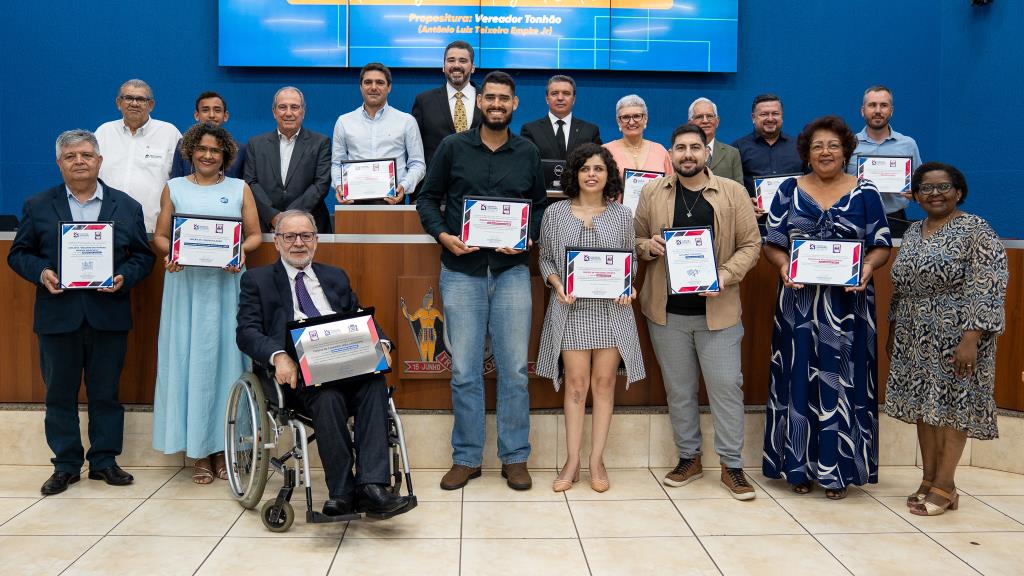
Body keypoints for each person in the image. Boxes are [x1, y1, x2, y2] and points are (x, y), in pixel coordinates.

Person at [417, 71, 547, 492]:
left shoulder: (527, 152)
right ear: (478, 102)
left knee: (515, 371)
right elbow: (427, 199)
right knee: (464, 371)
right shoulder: (453, 147)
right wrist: (443, 236)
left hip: (511, 272)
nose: (496, 104)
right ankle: (467, 458)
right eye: (489, 97)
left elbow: (540, 206)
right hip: (462, 272)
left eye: (503, 99)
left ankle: (515, 457)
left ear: (514, 104)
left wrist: (527, 237)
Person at [8, 129, 155, 495]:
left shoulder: (126, 206)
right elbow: (19, 253)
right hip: (58, 315)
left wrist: (124, 277)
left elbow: (143, 257)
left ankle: (104, 461)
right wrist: (42, 273)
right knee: (59, 393)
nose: (79, 161)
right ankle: (66, 465)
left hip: (108, 313)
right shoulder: (38, 205)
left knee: (106, 393)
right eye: (70, 156)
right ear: (59, 163)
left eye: (86, 155)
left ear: (99, 161)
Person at [236, 209, 408, 517]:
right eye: (290, 236)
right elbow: (247, 332)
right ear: (277, 242)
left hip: (345, 363)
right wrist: (279, 356)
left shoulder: (334, 276)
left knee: (375, 382)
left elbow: (358, 314)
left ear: (316, 240)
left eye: (306, 236)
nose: (298, 243)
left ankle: (372, 487)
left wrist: (382, 342)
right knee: (327, 396)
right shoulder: (257, 280)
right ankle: (342, 492)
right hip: (298, 376)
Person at [761, 116, 892, 499]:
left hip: (849, 308)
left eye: (833, 145)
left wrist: (867, 267)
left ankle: (839, 472)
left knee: (844, 381)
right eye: (817, 145)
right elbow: (773, 243)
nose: (825, 152)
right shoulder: (789, 189)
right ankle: (797, 467)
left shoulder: (866, 192)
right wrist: (783, 266)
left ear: (846, 151)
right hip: (798, 305)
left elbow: (881, 244)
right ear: (806, 152)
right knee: (797, 379)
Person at [633, 124, 761, 500]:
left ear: (707, 153)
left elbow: (751, 245)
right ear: (671, 154)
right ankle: (689, 457)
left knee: (726, 388)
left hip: (718, 312)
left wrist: (725, 275)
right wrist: (647, 246)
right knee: (680, 391)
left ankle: (732, 465)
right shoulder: (653, 191)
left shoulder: (733, 192)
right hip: (667, 313)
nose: (687, 154)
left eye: (694, 147)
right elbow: (635, 238)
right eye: (680, 148)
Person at [885, 162, 1008, 516]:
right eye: (926, 188)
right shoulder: (913, 231)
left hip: (959, 333)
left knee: (954, 406)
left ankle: (946, 485)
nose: (935, 194)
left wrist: (972, 337)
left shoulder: (976, 229)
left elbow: (989, 284)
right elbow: (902, 285)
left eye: (943, 187)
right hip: (914, 334)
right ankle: (928, 479)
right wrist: (894, 328)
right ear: (915, 196)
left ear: (958, 192)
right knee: (925, 406)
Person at [151, 123, 263, 484]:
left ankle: (224, 448)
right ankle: (198, 452)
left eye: (215, 150)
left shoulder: (239, 188)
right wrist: (171, 253)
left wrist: (239, 253)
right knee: (189, 363)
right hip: (185, 287)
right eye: (202, 149)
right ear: (190, 151)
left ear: (225, 154)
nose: (208, 155)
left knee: (227, 363)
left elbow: (255, 236)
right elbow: (161, 236)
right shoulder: (174, 188)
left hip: (226, 285)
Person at [536, 143, 643, 493]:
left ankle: (597, 460)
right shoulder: (555, 213)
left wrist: (628, 285)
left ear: (608, 174)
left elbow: (631, 260)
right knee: (576, 386)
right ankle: (572, 461)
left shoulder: (622, 215)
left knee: (604, 384)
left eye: (598, 168)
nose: (592, 174)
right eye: (585, 169)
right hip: (571, 310)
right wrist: (557, 284)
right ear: (575, 174)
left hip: (611, 311)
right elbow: (545, 259)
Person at [332, 63, 425, 205]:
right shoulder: (344, 122)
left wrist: (404, 186)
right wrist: (339, 186)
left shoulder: (406, 121)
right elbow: (337, 163)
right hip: (354, 202)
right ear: (361, 87)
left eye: (380, 82)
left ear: (389, 87)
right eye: (368, 82)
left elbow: (418, 164)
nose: (373, 87)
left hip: (393, 201)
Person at [95, 79, 182, 232]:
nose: (134, 103)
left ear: (151, 105)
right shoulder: (103, 132)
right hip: (106, 228)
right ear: (119, 103)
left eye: (141, 99)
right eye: (128, 98)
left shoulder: (170, 133)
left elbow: (181, 181)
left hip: (152, 229)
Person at [243, 86, 332, 233]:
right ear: (274, 112)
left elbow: (321, 185)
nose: (288, 113)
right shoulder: (255, 144)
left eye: (294, 107)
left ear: (303, 112)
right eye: (282, 107)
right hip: (266, 226)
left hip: (309, 226)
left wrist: (287, 219)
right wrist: (272, 216)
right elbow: (250, 182)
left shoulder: (320, 143)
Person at [845, 85, 923, 239]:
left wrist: (916, 193)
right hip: (855, 218)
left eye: (884, 105)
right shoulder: (848, 144)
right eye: (872, 105)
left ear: (891, 110)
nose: (878, 110)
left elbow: (921, 186)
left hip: (895, 220)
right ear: (863, 111)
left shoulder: (908, 144)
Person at [731, 93, 804, 221]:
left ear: (782, 116)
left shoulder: (799, 146)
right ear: (753, 118)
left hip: (795, 221)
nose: (770, 119)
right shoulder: (737, 148)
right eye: (764, 114)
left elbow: (812, 180)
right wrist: (744, 203)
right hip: (755, 223)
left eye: (775, 113)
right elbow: (731, 187)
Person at [412, 40, 483, 168]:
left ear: (473, 67)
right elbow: (415, 148)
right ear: (443, 66)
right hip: (437, 178)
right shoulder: (424, 101)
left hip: (479, 177)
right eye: (451, 60)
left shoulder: (487, 99)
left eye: (463, 61)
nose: (456, 65)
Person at [520, 75, 602, 161]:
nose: (560, 98)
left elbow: (598, 162)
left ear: (574, 99)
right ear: (547, 99)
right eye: (554, 93)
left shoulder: (590, 131)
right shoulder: (531, 130)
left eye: (566, 93)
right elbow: (526, 162)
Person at [171, 91, 247, 179]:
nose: (211, 115)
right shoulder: (183, 145)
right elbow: (176, 180)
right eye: (205, 110)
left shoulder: (241, 150)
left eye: (217, 110)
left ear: (225, 116)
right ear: (196, 115)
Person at [603, 94, 672, 179]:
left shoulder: (660, 151)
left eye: (637, 116)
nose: (631, 122)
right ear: (618, 122)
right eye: (625, 117)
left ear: (645, 119)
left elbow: (670, 183)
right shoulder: (606, 151)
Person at [688, 97, 743, 185]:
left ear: (717, 121)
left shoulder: (732, 154)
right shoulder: (682, 153)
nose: (705, 121)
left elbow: (739, 189)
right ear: (690, 123)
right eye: (699, 117)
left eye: (709, 116)